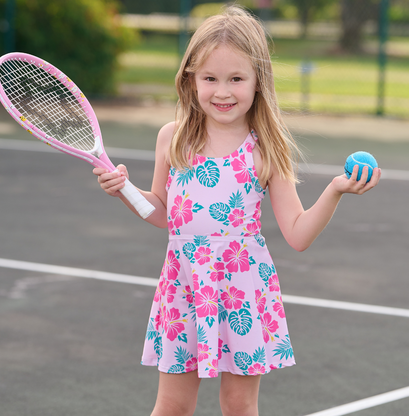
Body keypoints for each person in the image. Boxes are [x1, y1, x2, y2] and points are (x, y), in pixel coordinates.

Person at [93, 6, 381, 416]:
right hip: (183, 287)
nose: (222, 92)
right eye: (209, 78)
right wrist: (124, 190)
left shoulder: (266, 149)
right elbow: (162, 213)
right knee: (172, 405)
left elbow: (298, 234)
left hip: (243, 290)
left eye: (236, 79)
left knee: (239, 406)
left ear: (258, 82)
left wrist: (334, 190)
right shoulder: (171, 139)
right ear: (190, 79)